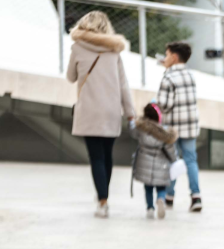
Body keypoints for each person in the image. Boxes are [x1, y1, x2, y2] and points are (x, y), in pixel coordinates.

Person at [66, 11, 135, 218]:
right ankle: (104, 196)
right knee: (107, 156)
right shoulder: (114, 51)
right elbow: (124, 85)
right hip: (111, 110)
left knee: (95, 156)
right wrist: (130, 112)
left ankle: (102, 201)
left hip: (89, 110)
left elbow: (70, 77)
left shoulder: (77, 48)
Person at [157, 41, 203, 212]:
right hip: (190, 126)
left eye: (167, 54)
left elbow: (164, 105)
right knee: (191, 160)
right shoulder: (190, 75)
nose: (165, 58)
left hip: (173, 128)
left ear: (174, 57)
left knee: (171, 160)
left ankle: (169, 196)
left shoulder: (168, 77)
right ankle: (196, 197)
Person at [130, 102, 178, 220]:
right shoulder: (164, 134)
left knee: (148, 188)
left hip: (144, 165)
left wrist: (135, 120)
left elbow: (131, 130)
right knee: (161, 187)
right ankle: (161, 199)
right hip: (161, 167)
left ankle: (150, 208)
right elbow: (171, 150)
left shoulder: (140, 130)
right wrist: (174, 160)